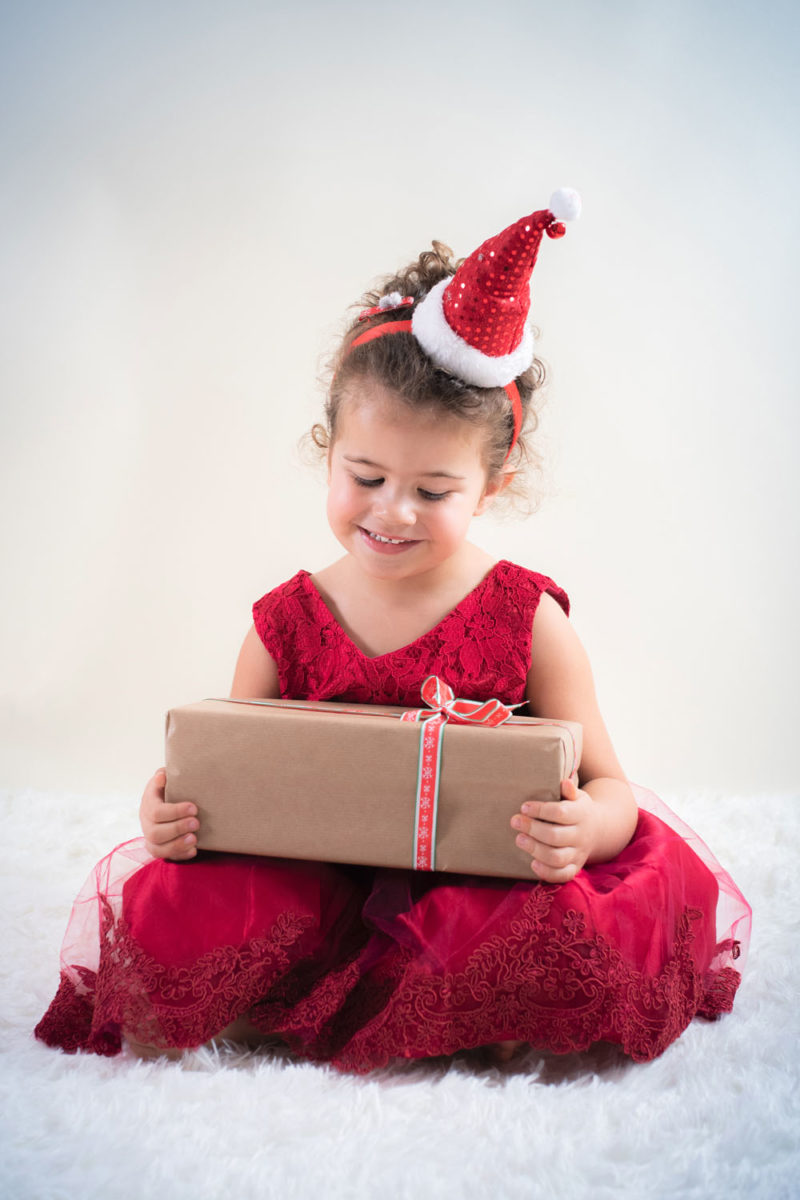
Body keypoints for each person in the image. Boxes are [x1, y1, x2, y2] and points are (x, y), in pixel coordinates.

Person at [35, 191, 751, 1072]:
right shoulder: (286, 621)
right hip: (318, 877)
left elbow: (611, 787)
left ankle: (468, 1005)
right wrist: (171, 811)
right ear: (326, 448)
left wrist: (582, 832)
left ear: (493, 482)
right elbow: (225, 768)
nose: (392, 512)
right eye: (365, 476)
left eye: (434, 491)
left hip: (472, 880)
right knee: (167, 906)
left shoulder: (527, 617)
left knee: (570, 926)